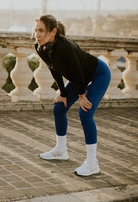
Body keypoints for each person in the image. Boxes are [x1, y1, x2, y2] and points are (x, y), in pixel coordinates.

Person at [34, 14, 111, 176]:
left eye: (41, 30)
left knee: (85, 113)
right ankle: (61, 151)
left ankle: (92, 163)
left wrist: (82, 96)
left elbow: (77, 71)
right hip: (79, 78)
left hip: (99, 74)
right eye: (35, 31)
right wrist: (62, 93)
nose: (37, 35)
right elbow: (54, 69)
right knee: (59, 108)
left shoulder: (65, 46)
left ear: (53, 31)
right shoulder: (40, 47)